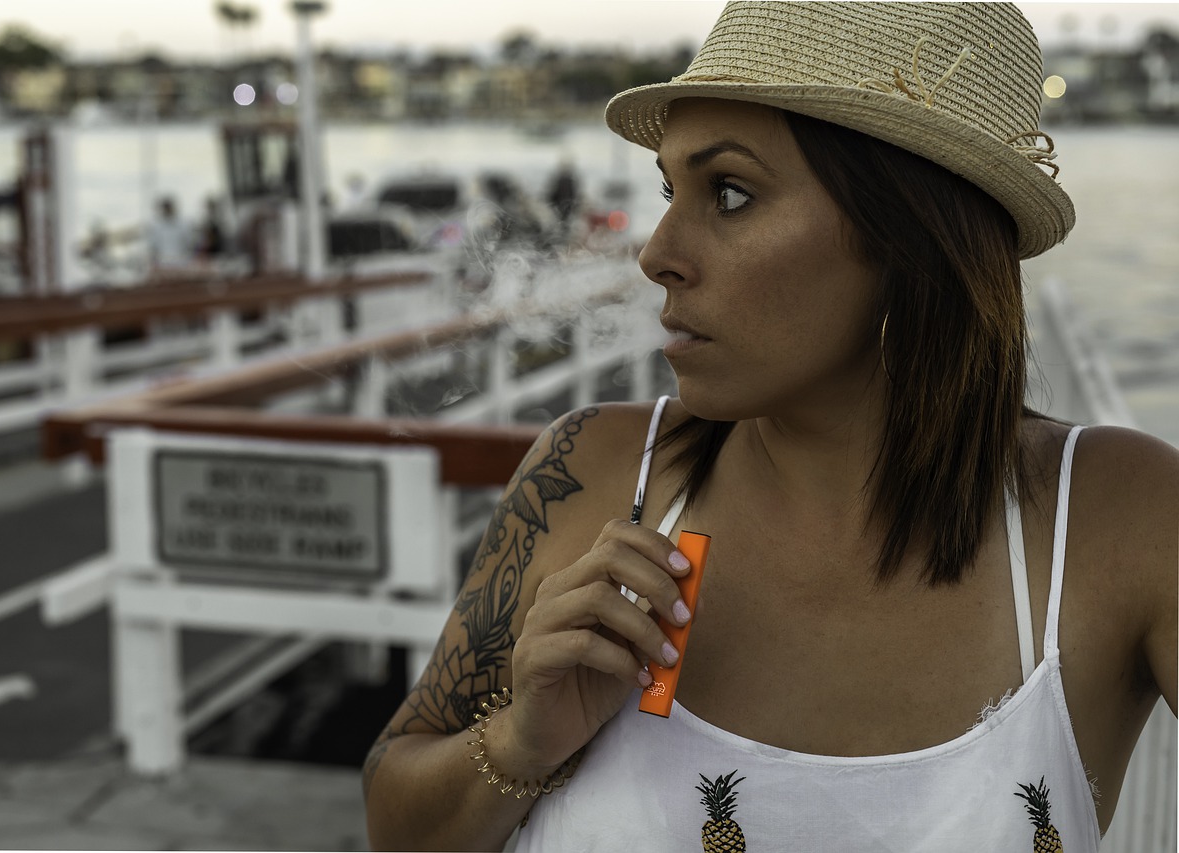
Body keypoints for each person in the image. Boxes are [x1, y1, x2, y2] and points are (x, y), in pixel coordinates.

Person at [362, 3, 1177, 849]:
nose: (657, 251)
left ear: (911, 236)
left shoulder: (1121, 517)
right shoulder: (596, 474)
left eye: (729, 192)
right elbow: (395, 825)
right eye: (669, 190)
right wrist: (518, 742)